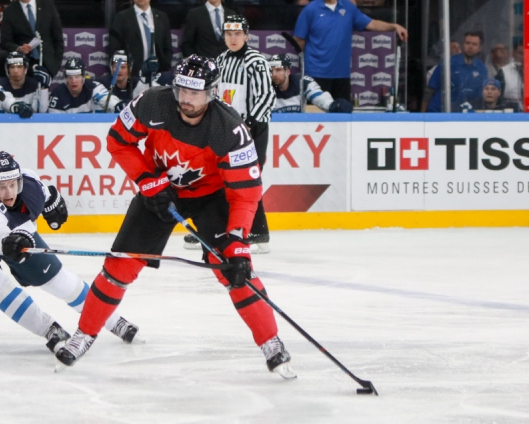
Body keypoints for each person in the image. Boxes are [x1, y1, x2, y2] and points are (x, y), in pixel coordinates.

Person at [54, 55, 295, 381]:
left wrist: (237, 239)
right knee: (119, 266)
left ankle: (271, 341)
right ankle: (85, 333)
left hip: (213, 197)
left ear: (212, 92)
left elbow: (245, 192)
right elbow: (118, 141)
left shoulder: (230, 129)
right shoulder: (152, 103)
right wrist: (146, 179)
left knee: (237, 272)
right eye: (183, 90)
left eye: (195, 93)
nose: (186, 99)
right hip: (161, 192)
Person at [0, 152, 140, 354]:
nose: (9, 193)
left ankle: (114, 320)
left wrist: (50, 202)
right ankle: (49, 329)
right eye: (1, 187)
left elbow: (44, 194)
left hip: (6, 232)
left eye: (12, 185)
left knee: (58, 279)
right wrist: (6, 239)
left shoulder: (29, 182)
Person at [189, 14, 274, 254]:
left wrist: (248, 123)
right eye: (228, 34)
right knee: (217, 177)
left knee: (245, 179)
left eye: (237, 34)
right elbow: (215, 95)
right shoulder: (221, 60)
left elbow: (266, 96)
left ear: (246, 35)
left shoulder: (256, 61)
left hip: (252, 129)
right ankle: (212, 228)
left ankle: (258, 230)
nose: (233, 38)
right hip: (226, 128)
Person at [293, 0, 408, 102]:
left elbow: (371, 24)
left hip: (341, 75)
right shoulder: (310, 9)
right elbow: (298, 39)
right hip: (315, 74)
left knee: (342, 118)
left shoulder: (348, 7)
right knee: (315, 118)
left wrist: (394, 26)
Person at [0, 0, 64, 78]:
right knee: (0, 56)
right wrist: (18, 48)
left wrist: (55, 65)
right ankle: (9, 86)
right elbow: (5, 41)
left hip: (45, 59)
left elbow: (58, 37)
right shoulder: (10, 10)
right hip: (22, 59)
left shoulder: (48, 5)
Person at [422, 32, 488, 112]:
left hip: (463, 114)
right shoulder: (448, 63)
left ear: (479, 48)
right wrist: (423, 114)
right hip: (438, 112)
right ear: (463, 45)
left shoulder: (481, 68)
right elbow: (430, 90)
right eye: (467, 43)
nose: (470, 46)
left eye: (474, 44)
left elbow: (481, 96)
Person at [107, 0, 173, 78]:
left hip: (158, 74)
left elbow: (167, 46)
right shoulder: (122, 17)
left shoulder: (162, 17)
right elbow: (114, 48)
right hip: (133, 75)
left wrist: (165, 65)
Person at [268, 53, 352, 113]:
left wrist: (332, 105)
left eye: (278, 70)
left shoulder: (302, 82)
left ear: (288, 71)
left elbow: (320, 98)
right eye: (271, 70)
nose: (274, 74)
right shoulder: (265, 87)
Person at [48, 57, 124, 113]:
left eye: (77, 77)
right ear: (65, 78)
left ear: (83, 77)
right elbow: (53, 121)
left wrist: (117, 105)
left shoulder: (93, 87)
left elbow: (107, 99)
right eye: (70, 77)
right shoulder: (57, 94)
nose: (73, 81)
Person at [496, 42, 524, 111]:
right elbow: (497, 98)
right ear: (513, 53)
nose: (524, 56)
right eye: (520, 53)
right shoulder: (503, 72)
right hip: (510, 113)